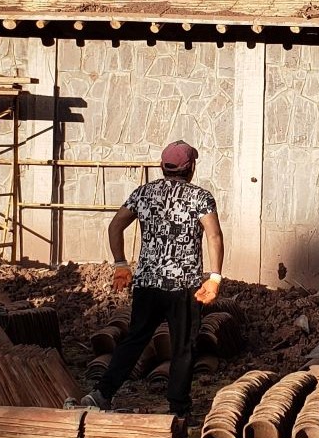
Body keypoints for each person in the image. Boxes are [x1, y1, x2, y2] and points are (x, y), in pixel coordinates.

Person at [77, 140, 225, 419]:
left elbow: (115, 226)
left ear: (162, 167)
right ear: (190, 168)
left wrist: (121, 264)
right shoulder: (201, 197)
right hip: (184, 287)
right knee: (183, 348)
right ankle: (178, 409)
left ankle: (101, 394)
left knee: (134, 340)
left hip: (147, 284)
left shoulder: (144, 194)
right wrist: (214, 277)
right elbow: (214, 236)